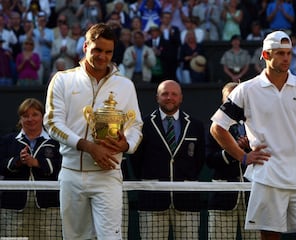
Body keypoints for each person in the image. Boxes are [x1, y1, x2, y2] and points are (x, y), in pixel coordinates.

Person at [209, 30, 296, 240]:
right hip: (267, 179)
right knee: (270, 237)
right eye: (280, 53)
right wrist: (243, 156)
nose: (286, 58)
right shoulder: (246, 90)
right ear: (266, 55)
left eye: (289, 53)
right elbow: (217, 127)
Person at [43, 23, 143, 239]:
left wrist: (125, 145)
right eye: (97, 50)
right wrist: (88, 146)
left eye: (108, 52)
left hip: (108, 174)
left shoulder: (126, 85)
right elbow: (52, 123)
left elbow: (136, 126)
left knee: (111, 237)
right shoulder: (62, 79)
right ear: (85, 46)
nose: (102, 56)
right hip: (71, 173)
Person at [131, 79, 205, 240]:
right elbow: (136, 161)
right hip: (152, 202)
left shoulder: (196, 125)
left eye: (174, 94)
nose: (169, 97)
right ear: (157, 97)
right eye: (164, 94)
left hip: (187, 202)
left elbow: (198, 161)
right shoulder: (142, 125)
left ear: (181, 98)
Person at [0, 98, 62, 239]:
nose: (30, 119)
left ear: (42, 117)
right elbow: (1, 165)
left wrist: (37, 163)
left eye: (35, 114)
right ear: (20, 119)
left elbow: (62, 167)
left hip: (49, 207)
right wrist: (17, 161)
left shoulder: (55, 141)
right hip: (13, 207)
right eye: (25, 115)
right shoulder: (8, 140)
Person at [206, 82, 259, 240]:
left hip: (252, 199)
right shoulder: (214, 127)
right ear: (223, 101)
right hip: (222, 200)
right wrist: (233, 151)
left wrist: (249, 149)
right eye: (229, 98)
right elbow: (209, 160)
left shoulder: (257, 125)